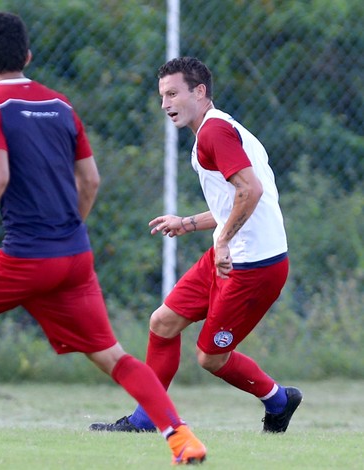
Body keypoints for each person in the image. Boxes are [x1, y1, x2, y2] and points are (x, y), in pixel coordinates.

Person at [0, 12, 206, 465]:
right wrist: (69, 232)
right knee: (113, 357)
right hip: (73, 258)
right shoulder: (61, 106)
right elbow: (90, 181)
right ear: (28, 56)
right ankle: (181, 437)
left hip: (24, 260)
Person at [90, 57, 302, 435]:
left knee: (211, 357)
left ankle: (279, 400)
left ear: (200, 92)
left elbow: (249, 191)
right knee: (163, 322)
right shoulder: (216, 129)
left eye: (173, 93)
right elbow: (235, 200)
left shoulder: (213, 133)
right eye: (161, 96)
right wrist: (187, 223)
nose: (165, 103)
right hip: (231, 256)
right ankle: (146, 418)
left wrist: (221, 241)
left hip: (254, 266)